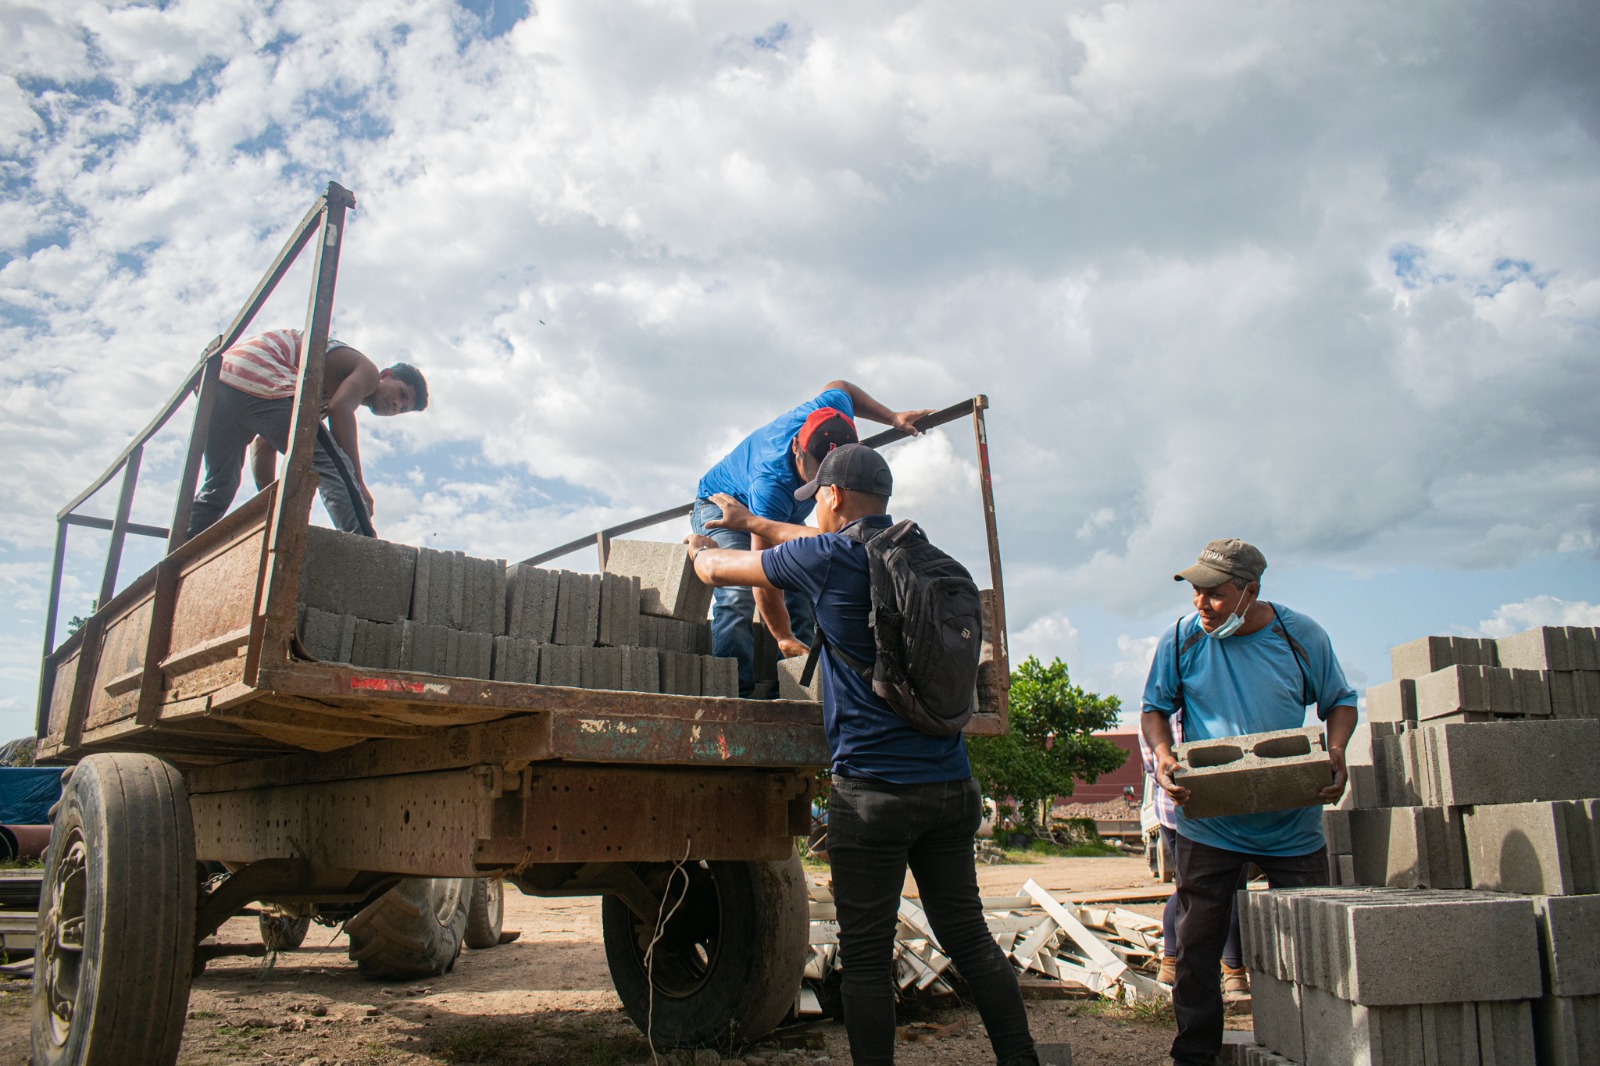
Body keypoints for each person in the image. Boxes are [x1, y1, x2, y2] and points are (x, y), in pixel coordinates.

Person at [686, 444, 1039, 1066]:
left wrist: (700, 546)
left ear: (833, 496)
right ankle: (1021, 1058)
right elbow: (810, 541)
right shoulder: (934, 561)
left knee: (869, 957)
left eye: (818, 496)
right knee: (971, 937)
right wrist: (757, 524)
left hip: (874, 794)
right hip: (953, 787)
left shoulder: (825, 556)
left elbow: (717, 573)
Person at [1141, 538, 1357, 1066]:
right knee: (1196, 951)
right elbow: (1154, 708)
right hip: (1210, 824)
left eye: (1214, 594)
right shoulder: (1181, 640)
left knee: (1315, 945)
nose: (1200, 604)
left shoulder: (1299, 636)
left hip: (1290, 826)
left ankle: (1322, 1046)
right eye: (1195, 592)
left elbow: (1340, 702)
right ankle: (1195, 1054)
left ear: (1250, 591)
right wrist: (1164, 755)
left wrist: (1335, 752)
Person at [692, 382, 932, 697]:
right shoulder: (771, 483)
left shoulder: (835, 411)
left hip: (784, 510)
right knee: (737, 595)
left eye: (829, 482)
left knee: (806, 584)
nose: (822, 491)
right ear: (797, 448)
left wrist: (892, 417)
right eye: (815, 479)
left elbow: (843, 386)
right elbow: (761, 574)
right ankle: (735, 694)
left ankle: (791, 688)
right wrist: (781, 635)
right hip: (724, 505)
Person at [187, 327, 428, 539]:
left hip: (217, 382)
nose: (397, 405)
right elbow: (340, 409)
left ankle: (179, 552)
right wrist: (358, 482)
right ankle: (364, 548)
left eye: (403, 408)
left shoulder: (316, 399)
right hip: (257, 369)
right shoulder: (368, 372)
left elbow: (263, 445)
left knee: (220, 484)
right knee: (333, 465)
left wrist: (270, 504)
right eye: (401, 394)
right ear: (386, 375)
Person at [1138, 726, 1248, 993]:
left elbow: (1152, 766)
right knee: (1231, 882)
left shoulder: (1153, 706)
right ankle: (1233, 971)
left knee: (1188, 884)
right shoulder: (1203, 700)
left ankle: (1172, 963)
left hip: (1170, 805)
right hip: (1210, 805)